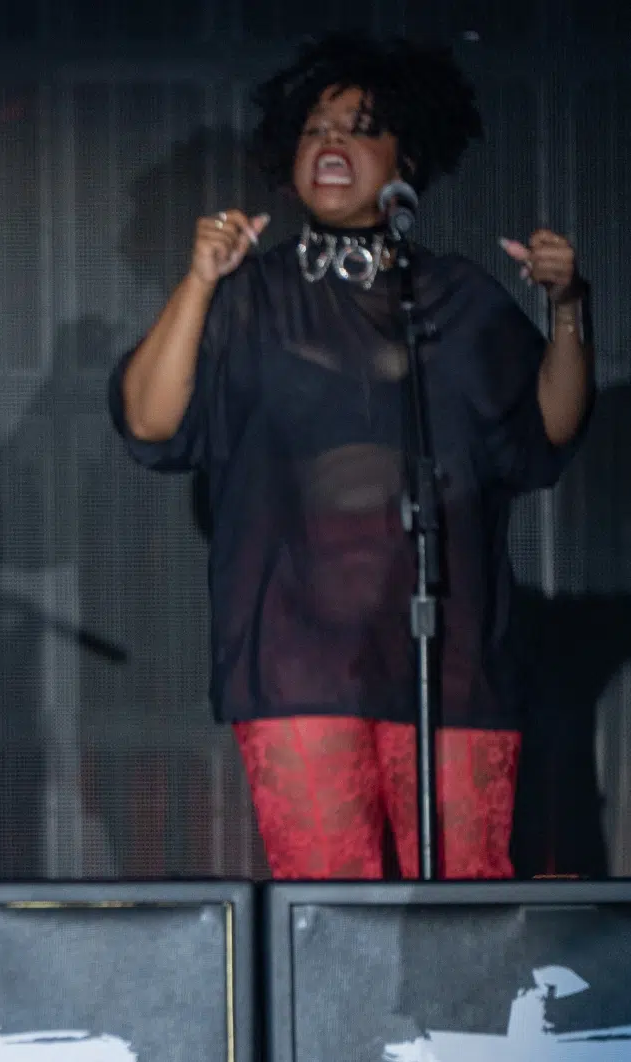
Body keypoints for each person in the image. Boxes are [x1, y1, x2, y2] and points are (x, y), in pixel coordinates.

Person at [110, 34, 594, 880]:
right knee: (331, 911)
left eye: (360, 128)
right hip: (295, 654)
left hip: (450, 653)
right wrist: (200, 280)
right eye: (314, 128)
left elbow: (546, 432)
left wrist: (566, 309)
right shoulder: (251, 297)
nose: (330, 141)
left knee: (465, 902)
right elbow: (150, 422)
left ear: (406, 158)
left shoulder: (459, 298)